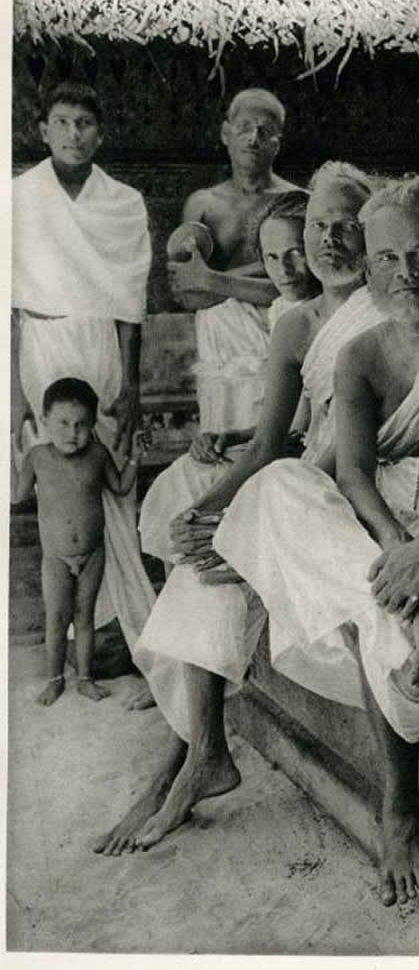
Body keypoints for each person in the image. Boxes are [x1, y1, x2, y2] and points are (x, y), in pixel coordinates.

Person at [214, 176, 419, 906]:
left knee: (371, 602)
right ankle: (415, 624)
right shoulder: (358, 353)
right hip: (394, 518)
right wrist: (397, 546)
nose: (406, 273)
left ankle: (398, 804)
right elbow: (355, 475)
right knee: (278, 489)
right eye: (388, 259)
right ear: (367, 268)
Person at [94, 161, 384, 856]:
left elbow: (338, 444)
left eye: (343, 229)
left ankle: (192, 759)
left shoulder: (380, 311)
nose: (325, 245)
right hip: (302, 474)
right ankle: (195, 754)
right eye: (317, 230)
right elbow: (273, 440)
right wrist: (215, 512)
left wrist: (240, 518)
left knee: (217, 553)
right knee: (200, 544)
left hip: (353, 487)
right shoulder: (297, 319)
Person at [11, 81, 156, 707]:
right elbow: (7, 303)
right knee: (53, 479)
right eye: (63, 122)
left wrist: (131, 388)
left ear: (101, 133)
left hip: (98, 348)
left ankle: (125, 633)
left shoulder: (122, 204)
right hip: (38, 350)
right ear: (43, 129)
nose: (74, 134)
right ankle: (64, 645)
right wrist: (13, 394)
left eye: (86, 124)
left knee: (108, 487)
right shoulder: (15, 197)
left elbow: (129, 308)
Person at [138, 190, 319, 564]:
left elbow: (298, 433)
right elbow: (284, 424)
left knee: (196, 491)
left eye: (295, 253)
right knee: (182, 479)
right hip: (282, 438)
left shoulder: (316, 316)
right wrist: (226, 436)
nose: (283, 268)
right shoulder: (284, 308)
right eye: (270, 257)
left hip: (312, 454)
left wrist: (210, 278)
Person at [166, 87, 302, 433]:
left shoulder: (297, 202)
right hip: (221, 343)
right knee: (223, 445)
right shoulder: (203, 205)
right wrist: (260, 277)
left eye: (265, 131)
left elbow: (298, 286)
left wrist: (213, 279)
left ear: (277, 143)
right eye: (244, 128)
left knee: (279, 439)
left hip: (281, 336)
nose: (254, 138)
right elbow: (187, 293)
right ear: (226, 134)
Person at [10, 379, 146, 706]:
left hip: (92, 553)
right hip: (56, 557)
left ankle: (86, 679)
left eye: (82, 424)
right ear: (44, 422)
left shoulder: (97, 454)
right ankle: (55, 679)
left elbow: (121, 488)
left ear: (92, 424)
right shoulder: (37, 457)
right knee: (57, 619)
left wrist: (135, 457)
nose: (73, 432)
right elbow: (16, 496)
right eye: (63, 424)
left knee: (84, 619)